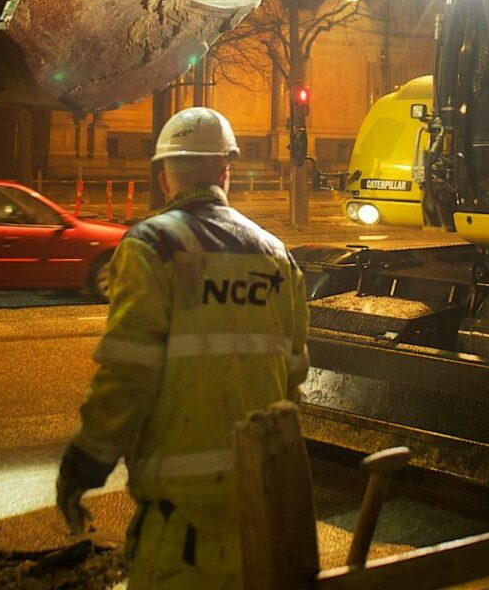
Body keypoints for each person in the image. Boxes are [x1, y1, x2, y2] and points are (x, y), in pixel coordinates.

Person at [56, 106, 310, 588]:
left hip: (182, 525)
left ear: (163, 176)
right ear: (225, 170)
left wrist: (84, 464)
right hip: (261, 504)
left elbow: (129, 373)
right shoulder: (277, 256)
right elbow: (294, 373)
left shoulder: (153, 246)